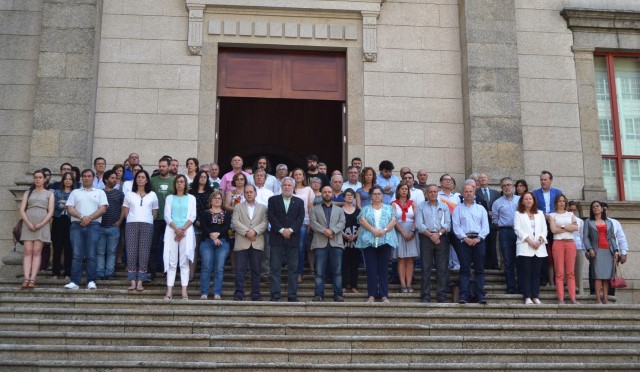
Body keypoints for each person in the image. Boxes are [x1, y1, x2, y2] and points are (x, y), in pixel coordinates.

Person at [64, 169, 108, 290]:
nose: (87, 178)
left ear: (93, 178)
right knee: (77, 255)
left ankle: (91, 281)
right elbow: (70, 208)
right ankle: (75, 282)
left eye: (89, 176)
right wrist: (82, 217)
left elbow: (103, 209)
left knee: (91, 255)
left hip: (94, 225)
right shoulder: (75, 192)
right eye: (84, 176)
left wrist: (89, 218)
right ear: (81, 178)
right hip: (76, 225)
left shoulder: (100, 192)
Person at [355, 185, 398, 303]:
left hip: (385, 241)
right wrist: (373, 230)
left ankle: (384, 295)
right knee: (371, 269)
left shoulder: (389, 208)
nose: (377, 196)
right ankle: (372, 295)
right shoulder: (366, 208)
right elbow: (361, 220)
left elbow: (394, 220)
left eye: (379, 194)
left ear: (382, 196)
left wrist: (384, 230)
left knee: (383, 269)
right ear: (371, 196)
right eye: (375, 194)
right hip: (369, 241)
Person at [268, 177, 305, 302]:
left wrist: (290, 230)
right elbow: (271, 216)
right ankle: (275, 295)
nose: (287, 187)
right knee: (275, 268)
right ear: (281, 186)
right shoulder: (273, 200)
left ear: (293, 187)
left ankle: (292, 296)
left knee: (293, 269)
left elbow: (300, 219)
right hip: (277, 238)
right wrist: (282, 230)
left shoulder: (299, 202)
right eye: (285, 185)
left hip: (293, 238)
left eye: (289, 185)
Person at [452, 183, 489, 304]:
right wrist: (465, 238)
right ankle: (464, 295)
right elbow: (456, 226)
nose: (468, 194)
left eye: (471, 191)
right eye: (466, 191)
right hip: (464, 241)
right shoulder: (458, 209)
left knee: (479, 269)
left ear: (474, 193)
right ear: (462, 194)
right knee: (464, 269)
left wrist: (479, 238)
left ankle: (480, 295)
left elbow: (485, 227)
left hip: (479, 241)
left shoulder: (481, 208)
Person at [122, 170, 158, 292]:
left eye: (143, 177)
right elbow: (125, 211)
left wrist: (146, 219)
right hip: (131, 224)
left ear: (147, 180)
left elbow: (154, 213)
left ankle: (140, 281)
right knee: (131, 251)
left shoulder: (152, 194)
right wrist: (133, 218)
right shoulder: (129, 194)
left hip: (147, 224)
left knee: (144, 252)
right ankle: (132, 281)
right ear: (136, 179)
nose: (141, 179)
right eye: (139, 177)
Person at [231, 184, 268, 301]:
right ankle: (238, 293)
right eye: (246, 192)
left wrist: (255, 231)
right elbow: (235, 222)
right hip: (242, 241)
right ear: (244, 194)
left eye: (251, 192)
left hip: (256, 241)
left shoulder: (263, 208)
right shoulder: (238, 207)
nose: (249, 194)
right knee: (240, 270)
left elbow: (265, 222)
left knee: (256, 270)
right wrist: (247, 232)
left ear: (255, 193)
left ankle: (256, 294)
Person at [309, 185, 346, 302]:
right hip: (320, 243)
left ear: (332, 194)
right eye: (324, 192)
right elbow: (313, 223)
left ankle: (338, 294)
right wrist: (325, 231)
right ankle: (319, 295)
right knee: (319, 272)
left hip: (336, 243)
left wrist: (332, 231)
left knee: (337, 271)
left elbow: (342, 223)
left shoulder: (339, 210)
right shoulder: (315, 209)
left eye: (329, 192)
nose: (327, 194)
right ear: (321, 194)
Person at [415, 184, 451, 303]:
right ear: (426, 194)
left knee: (442, 268)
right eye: (430, 192)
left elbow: (447, 223)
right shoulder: (421, 207)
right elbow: (419, 224)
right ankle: (425, 295)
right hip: (426, 238)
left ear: (438, 193)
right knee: (426, 268)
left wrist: (438, 234)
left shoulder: (444, 206)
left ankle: (441, 295)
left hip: (441, 238)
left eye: (435, 192)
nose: (433, 194)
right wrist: (431, 235)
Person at [163, 175, 196, 300]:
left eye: (182, 182)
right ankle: (169, 291)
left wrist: (182, 230)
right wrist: (176, 229)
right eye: (177, 182)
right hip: (172, 230)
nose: (179, 184)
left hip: (186, 231)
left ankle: (184, 291)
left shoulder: (191, 198)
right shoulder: (170, 198)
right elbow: (167, 215)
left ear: (185, 184)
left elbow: (192, 216)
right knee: (172, 262)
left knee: (184, 262)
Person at [19, 170, 54, 288]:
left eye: (40, 177)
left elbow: (51, 212)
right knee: (28, 251)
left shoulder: (49, 194)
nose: (38, 179)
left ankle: (33, 279)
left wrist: (42, 224)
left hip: (42, 223)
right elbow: (22, 210)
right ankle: (26, 278)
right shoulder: (27, 193)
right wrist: (28, 223)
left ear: (45, 179)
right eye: (36, 177)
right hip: (28, 222)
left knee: (37, 251)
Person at [513, 191, 548, 305]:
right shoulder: (518, 214)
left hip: (539, 247)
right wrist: (530, 241)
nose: (528, 201)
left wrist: (539, 241)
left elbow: (544, 229)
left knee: (536, 273)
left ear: (533, 201)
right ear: (522, 201)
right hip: (525, 247)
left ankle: (535, 295)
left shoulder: (540, 214)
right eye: (526, 199)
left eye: (530, 199)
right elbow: (517, 229)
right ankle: (527, 296)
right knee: (526, 272)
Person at [583, 201, 619, 304]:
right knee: (598, 275)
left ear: (602, 208)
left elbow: (612, 238)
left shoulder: (609, 222)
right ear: (591, 209)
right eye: (593, 207)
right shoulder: (588, 222)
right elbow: (586, 238)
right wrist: (589, 249)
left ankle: (606, 298)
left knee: (607, 276)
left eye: (597, 206)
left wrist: (616, 251)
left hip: (609, 251)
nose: (596, 208)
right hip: (596, 251)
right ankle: (598, 298)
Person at [198, 191, 231, 300]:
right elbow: (203, 225)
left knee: (219, 268)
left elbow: (227, 227)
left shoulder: (226, 213)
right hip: (207, 241)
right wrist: (212, 235)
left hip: (222, 242)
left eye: (219, 198)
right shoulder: (205, 213)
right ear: (210, 200)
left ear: (222, 201)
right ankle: (204, 292)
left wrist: (218, 235)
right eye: (215, 198)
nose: (217, 200)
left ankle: (217, 292)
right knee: (206, 267)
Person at [491, 177, 520, 294]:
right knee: (508, 261)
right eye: (504, 186)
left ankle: (522, 287)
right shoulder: (497, 203)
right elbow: (494, 219)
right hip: (505, 232)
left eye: (509, 185)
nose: (507, 187)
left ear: (513, 186)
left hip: (520, 233)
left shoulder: (520, 199)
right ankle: (511, 288)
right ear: (501, 188)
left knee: (521, 260)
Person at [549, 194, 580, 304]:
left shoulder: (570, 214)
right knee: (559, 272)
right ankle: (561, 298)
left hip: (570, 243)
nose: (561, 203)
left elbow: (576, 227)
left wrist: (561, 227)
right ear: (556, 203)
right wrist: (568, 228)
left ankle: (573, 298)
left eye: (563, 201)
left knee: (570, 272)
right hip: (558, 244)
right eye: (559, 201)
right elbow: (553, 230)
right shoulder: (552, 215)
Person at [391, 181, 419, 293]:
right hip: (399, 231)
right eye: (402, 189)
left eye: (406, 189)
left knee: (410, 259)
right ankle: (403, 284)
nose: (404, 191)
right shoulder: (394, 204)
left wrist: (412, 231)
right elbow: (393, 219)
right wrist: (402, 232)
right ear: (398, 191)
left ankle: (409, 283)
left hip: (411, 230)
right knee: (401, 259)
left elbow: (417, 218)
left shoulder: (413, 204)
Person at [96, 170, 124, 280]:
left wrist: (120, 221)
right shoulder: (99, 192)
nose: (114, 180)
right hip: (100, 226)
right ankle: (99, 272)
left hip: (114, 226)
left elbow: (123, 208)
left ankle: (109, 272)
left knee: (112, 252)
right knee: (100, 251)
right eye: (112, 178)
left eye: (115, 178)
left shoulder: (119, 193)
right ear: (106, 179)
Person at [149, 158, 174, 282]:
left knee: (169, 246)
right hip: (155, 218)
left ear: (169, 167)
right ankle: (151, 272)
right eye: (160, 166)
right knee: (153, 245)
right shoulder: (153, 181)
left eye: (164, 166)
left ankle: (167, 272)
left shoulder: (174, 181)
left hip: (170, 220)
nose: (162, 168)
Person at [291, 168, 315, 283]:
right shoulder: (289, 188)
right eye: (296, 174)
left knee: (300, 248)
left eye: (300, 174)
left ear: (303, 177)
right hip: (289, 223)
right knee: (291, 248)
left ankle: (299, 273)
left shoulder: (308, 189)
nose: (298, 176)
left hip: (303, 222)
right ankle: (292, 271)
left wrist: (311, 221)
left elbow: (310, 206)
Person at [189, 170, 213, 280]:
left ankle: (207, 274)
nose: (203, 178)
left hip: (207, 224)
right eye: (201, 176)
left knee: (206, 249)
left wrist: (203, 221)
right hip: (193, 223)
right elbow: (189, 209)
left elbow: (212, 208)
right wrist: (195, 220)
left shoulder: (210, 192)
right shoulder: (191, 192)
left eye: (205, 177)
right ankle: (191, 274)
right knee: (194, 248)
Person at [51, 172, 75, 280]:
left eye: (70, 179)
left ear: (73, 181)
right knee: (57, 247)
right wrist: (65, 204)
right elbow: (54, 205)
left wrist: (63, 203)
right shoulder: (56, 192)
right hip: (58, 220)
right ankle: (55, 272)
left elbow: (75, 206)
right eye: (66, 179)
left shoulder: (75, 193)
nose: (68, 180)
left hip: (70, 221)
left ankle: (67, 273)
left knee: (69, 248)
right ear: (63, 180)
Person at [475, 173, 500, 270]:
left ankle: (493, 263)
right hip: (480, 223)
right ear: (478, 181)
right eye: (481, 178)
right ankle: (484, 263)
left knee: (492, 243)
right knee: (482, 243)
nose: (483, 179)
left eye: (484, 177)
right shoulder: (475, 193)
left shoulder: (496, 193)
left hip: (492, 222)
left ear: (488, 179)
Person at [341, 188, 360, 294]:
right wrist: (345, 236)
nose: (349, 197)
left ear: (354, 198)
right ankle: (343, 286)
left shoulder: (358, 211)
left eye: (351, 195)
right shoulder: (339, 210)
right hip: (342, 241)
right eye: (347, 195)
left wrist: (356, 235)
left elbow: (361, 225)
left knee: (354, 265)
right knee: (343, 264)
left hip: (355, 241)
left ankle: (353, 286)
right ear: (344, 197)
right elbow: (337, 225)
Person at [568, 201, 586, 295]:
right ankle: (569, 289)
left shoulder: (580, 221)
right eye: (570, 209)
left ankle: (580, 291)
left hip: (578, 246)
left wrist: (583, 248)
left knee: (578, 270)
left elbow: (582, 235)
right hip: (567, 245)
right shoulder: (564, 219)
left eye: (574, 210)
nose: (572, 211)